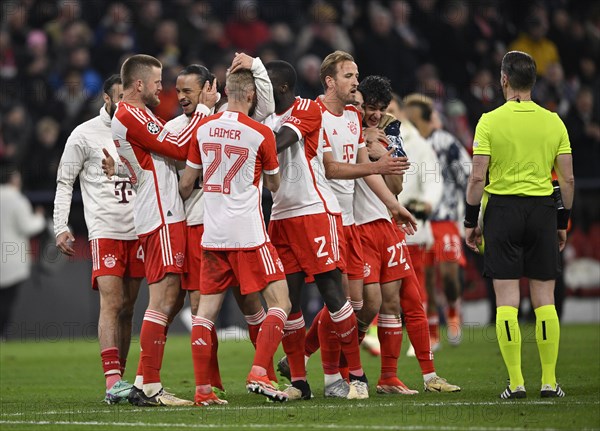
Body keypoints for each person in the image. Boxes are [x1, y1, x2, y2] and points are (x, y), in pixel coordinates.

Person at [103, 54, 218, 407]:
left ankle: (142, 378)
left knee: (173, 298)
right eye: (156, 82)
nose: (161, 89)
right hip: (162, 213)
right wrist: (205, 110)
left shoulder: (133, 116)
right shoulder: (132, 114)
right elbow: (180, 148)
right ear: (139, 84)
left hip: (159, 211)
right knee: (164, 298)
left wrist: (120, 171)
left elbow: (144, 163)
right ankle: (150, 385)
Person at [165, 54, 278, 397]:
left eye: (189, 90)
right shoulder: (175, 127)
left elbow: (184, 183)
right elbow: (274, 183)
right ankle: (216, 382)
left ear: (213, 90)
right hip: (217, 229)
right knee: (215, 307)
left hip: (210, 230)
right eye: (178, 91)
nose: (182, 96)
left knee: (242, 307)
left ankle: (254, 377)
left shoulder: (205, 127)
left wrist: (254, 68)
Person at [264, 60, 377, 400]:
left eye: (264, 84)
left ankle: (356, 377)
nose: (260, 92)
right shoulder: (265, 120)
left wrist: (244, 137)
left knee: (334, 293)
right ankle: (299, 382)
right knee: (289, 303)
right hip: (281, 218)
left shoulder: (306, 111)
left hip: (315, 212)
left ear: (281, 87)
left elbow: (277, 143)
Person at [465, 51, 574, 399]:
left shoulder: (488, 121)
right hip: (542, 210)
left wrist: (472, 221)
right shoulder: (554, 121)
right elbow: (568, 180)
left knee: (507, 301)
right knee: (545, 300)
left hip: (502, 211)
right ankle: (548, 381)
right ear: (534, 81)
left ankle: (515, 383)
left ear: (504, 79)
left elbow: (477, 177)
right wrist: (562, 221)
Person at [316, 51, 418, 395]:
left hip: (360, 224)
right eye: (349, 76)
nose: (354, 82)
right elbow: (332, 169)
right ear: (331, 81)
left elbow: (384, 175)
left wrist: (394, 205)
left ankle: (349, 373)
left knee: (366, 305)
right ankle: (330, 374)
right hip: (326, 219)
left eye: (356, 76)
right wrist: (376, 165)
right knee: (348, 303)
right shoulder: (316, 115)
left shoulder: (352, 121)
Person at [356, 77, 460, 393]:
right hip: (355, 226)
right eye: (370, 108)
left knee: (408, 300)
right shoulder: (347, 128)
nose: (377, 115)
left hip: (390, 224)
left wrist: (380, 152)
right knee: (352, 304)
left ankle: (417, 376)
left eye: (382, 109)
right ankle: (329, 367)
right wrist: (364, 146)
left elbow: (397, 186)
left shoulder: (393, 132)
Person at [53, 75, 144, 404]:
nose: (123, 104)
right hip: (105, 229)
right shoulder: (84, 134)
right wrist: (60, 226)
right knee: (113, 302)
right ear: (105, 98)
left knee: (129, 308)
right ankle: (112, 381)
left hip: (140, 229)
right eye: (118, 97)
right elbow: (65, 180)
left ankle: (119, 377)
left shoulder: (141, 128)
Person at [405, 93, 472, 346]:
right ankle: (432, 331)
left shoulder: (444, 142)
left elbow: (467, 175)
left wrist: (466, 214)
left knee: (449, 274)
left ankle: (454, 307)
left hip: (445, 217)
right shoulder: (407, 144)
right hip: (419, 220)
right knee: (427, 278)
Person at [0, 164, 45, 339]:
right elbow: (27, 227)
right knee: (6, 302)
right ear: (13, 179)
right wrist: (40, 217)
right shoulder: (17, 200)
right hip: (12, 261)